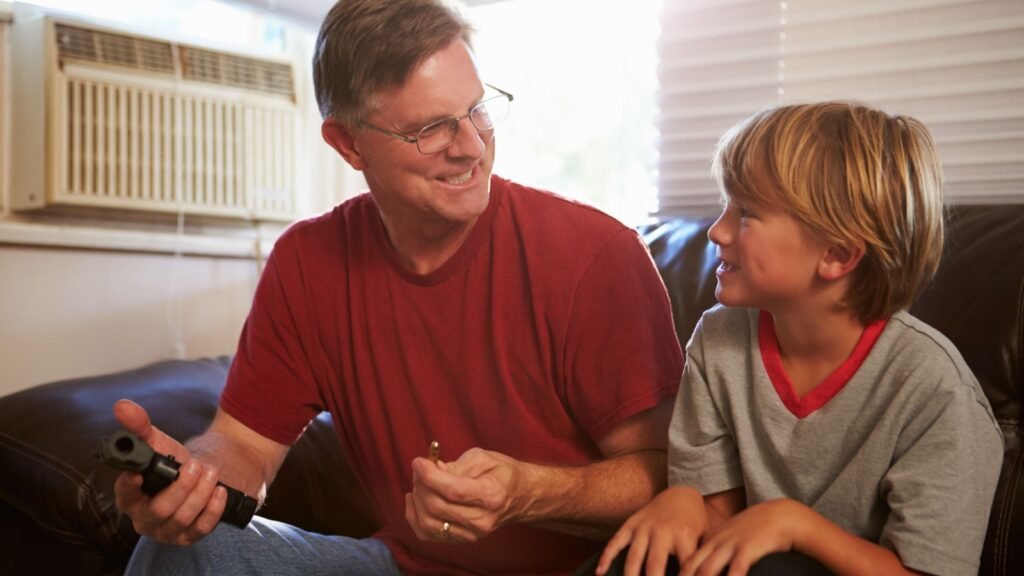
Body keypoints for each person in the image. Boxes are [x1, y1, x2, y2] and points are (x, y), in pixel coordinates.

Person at [112, 0, 684, 574]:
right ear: (348, 144)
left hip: (583, 568)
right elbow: (243, 446)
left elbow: (665, 474)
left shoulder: (595, 253)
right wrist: (193, 480)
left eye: (476, 110)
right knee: (184, 547)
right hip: (400, 566)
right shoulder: (308, 263)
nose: (471, 146)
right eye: (430, 129)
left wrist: (526, 491)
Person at [592, 102, 1004, 576]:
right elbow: (719, 519)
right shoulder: (718, 340)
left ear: (836, 253)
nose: (716, 230)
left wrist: (794, 524)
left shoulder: (935, 389)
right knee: (636, 555)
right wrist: (682, 502)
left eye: (745, 212)